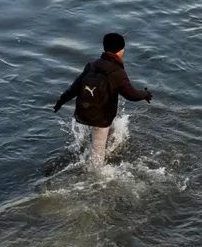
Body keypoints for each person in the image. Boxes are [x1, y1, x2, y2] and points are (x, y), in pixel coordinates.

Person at [53, 32, 154, 168]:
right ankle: (94, 178)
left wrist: (60, 102)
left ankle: (98, 146)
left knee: (105, 131)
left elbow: (74, 88)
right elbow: (131, 95)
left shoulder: (92, 65)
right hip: (101, 118)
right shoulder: (117, 72)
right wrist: (145, 94)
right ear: (120, 51)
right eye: (123, 48)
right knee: (97, 155)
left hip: (85, 112)